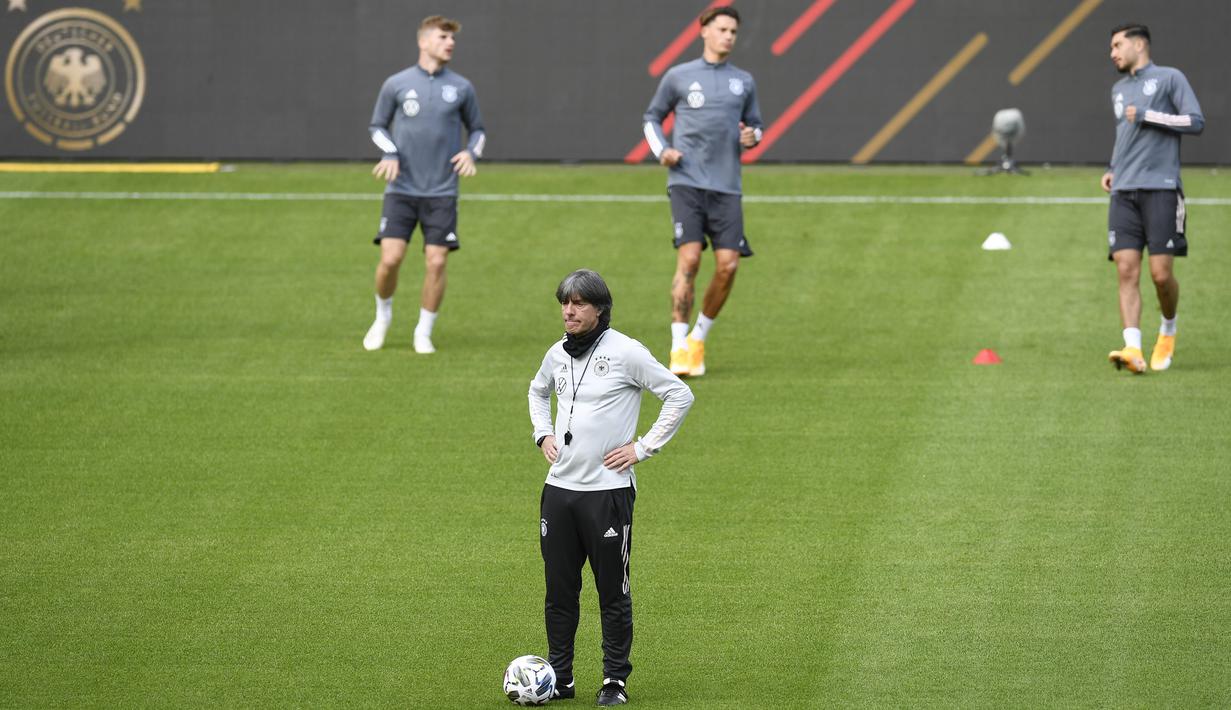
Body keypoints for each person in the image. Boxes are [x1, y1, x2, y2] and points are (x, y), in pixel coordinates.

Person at [527, 270, 694, 706]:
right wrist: (542, 432)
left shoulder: (626, 352)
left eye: (579, 304)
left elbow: (679, 395)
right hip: (559, 492)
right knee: (559, 593)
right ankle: (560, 678)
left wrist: (643, 448)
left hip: (607, 494)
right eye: (564, 303)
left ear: (599, 309)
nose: (568, 311)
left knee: (612, 593)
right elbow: (536, 389)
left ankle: (614, 681)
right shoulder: (557, 354)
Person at [642, 5, 763, 378]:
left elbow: (757, 127)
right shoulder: (679, 76)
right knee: (690, 261)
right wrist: (663, 151)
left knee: (728, 266)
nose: (728, 36)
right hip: (686, 182)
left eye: (732, 31)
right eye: (722, 29)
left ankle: (698, 338)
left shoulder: (743, 81)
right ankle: (679, 346)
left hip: (727, 187)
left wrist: (752, 136)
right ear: (704, 31)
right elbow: (651, 118)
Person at [362, 14, 486, 354]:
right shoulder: (396, 84)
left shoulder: (461, 87)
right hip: (401, 188)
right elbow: (377, 126)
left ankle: (423, 331)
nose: (450, 43)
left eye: (452, 39)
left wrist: (471, 153)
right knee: (390, 259)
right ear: (424, 41)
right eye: (443, 37)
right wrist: (390, 153)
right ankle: (383, 316)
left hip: (442, 191)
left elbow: (478, 129)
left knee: (437, 261)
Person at [1102, 23, 1203, 373]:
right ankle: (1133, 349)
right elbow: (1124, 135)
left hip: (1161, 188)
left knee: (1161, 276)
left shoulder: (1169, 78)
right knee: (1126, 271)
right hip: (1123, 191)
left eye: (1117, 45)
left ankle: (1168, 330)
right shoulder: (1117, 89)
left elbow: (1195, 121)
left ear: (1140, 43)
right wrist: (1113, 167)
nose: (1112, 52)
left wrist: (1148, 115)